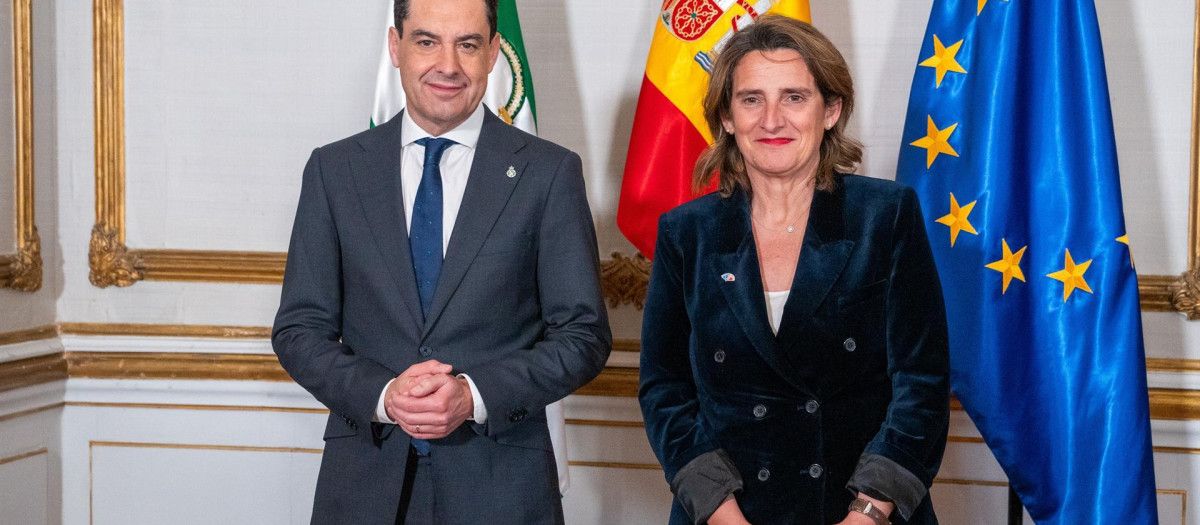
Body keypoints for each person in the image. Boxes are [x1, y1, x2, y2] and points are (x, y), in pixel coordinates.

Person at [272, 0, 611, 522]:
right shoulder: (334, 171)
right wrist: (384, 395)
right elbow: (299, 329)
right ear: (396, 47)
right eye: (427, 41)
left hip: (502, 490)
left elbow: (583, 335)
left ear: (495, 53)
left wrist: (474, 395)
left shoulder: (549, 174)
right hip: (364, 484)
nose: (448, 65)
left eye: (468, 44)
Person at [638, 15, 949, 525]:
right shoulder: (686, 232)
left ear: (831, 110)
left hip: (861, 510)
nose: (772, 120)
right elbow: (664, 388)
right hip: (727, 514)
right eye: (751, 99)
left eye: (794, 97)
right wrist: (719, 510)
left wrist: (869, 510)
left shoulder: (885, 215)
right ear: (726, 118)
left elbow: (922, 381)